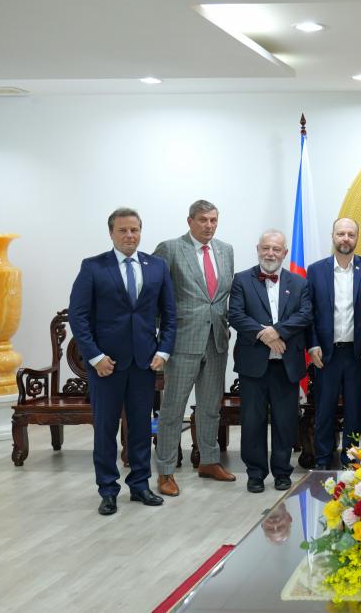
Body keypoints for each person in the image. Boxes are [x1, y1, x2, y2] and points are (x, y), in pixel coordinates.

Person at [68, 207, 176, 515]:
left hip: (145, 363)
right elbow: (78, 316)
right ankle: (108, 490)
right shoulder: (93, 267)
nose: (130, 235)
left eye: (135, 230)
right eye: (123, 230)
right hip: (106, 365)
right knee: (105, 428)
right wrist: (95, 356)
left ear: (141, 232)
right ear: (111, 233)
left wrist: (163, 351)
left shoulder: (156, 266)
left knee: (141, 427)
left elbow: (169, 314)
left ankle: (140, 485)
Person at [151, 199, 236, 497]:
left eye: (213, 220)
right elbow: (153, 292)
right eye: (202, 220)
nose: (209, 225)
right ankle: (165, 471)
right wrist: (164, 333)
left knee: (210, 407)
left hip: (216, 342)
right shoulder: (171, 248)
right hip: (182, 341)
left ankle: (209, 461)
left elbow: (220, 298)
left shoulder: (226, 250)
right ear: (189, 221)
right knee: (173, 409)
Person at [228, 230, 312, 493]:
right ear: (258, 249)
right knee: (252, 422)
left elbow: (306, 314)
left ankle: (282, 472)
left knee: (285, 422)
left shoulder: (299, 283)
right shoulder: (242, 279)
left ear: (285, 253)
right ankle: (255, 473)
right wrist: (265, 335)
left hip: (286, 365)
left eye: (276, 249)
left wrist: (278, 332)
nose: (270, 254)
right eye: (266, 248)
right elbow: (236, 315)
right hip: (254, 365)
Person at [306, 217, 361, 469]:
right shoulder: (316, 270)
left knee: (354, 411)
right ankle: (323, 459)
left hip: (357, 353)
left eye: (350, 234)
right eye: (341, 234)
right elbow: (310, 312)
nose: (345, 238)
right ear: (333, 236)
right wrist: (312, 344)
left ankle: (352, 459)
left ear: (357, 238)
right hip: (326, 353)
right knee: (324, 409)